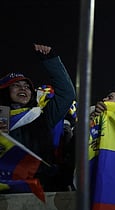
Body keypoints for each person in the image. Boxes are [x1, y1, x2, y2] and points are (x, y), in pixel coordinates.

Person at [0, 43, 76, 191]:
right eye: (16, 86)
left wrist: (50, 60)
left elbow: (67, 95)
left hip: (39, 187)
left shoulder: (42, 117)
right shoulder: (2, 118)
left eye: (27, 86)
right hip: (6, 190)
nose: (23, 88)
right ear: (5, 92)